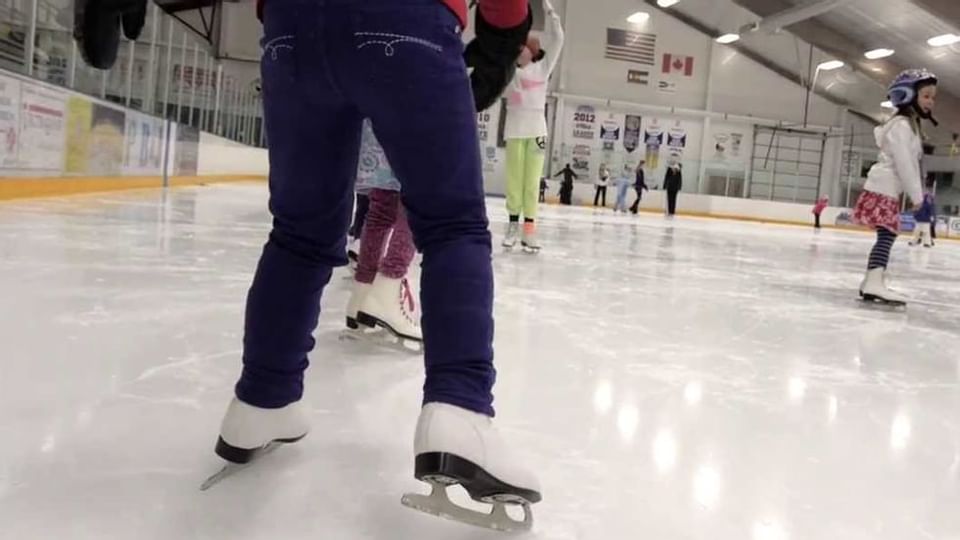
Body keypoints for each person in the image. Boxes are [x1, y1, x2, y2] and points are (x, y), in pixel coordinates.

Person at [210, 0, 541, 532]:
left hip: (292, 25)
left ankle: (261, 399)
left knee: (298, 231)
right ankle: (460, 409)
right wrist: (504, 33)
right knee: (452, 222)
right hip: (405, 21)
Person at [853, 69, 936, 306]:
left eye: (933, 97)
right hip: (884, 188)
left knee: (886, 235)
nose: (931, 102)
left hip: (884, 187)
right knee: (887, 235)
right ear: (907, 95)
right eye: (926, 96)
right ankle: (874, 281)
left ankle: (872, 280)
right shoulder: (902, 127)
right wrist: (917, 197)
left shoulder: (907, 125)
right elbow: (905, 163)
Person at [344, 120, 422, 348]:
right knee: (416, 202)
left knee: (382, 206)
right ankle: (386, 290)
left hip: (379, 119)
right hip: (415, 117)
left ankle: (362, 295)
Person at [501, 0, 564, 253]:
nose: (519, 51)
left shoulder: (543, 69)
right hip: (514, 130)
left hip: (537, 131)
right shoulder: (509, 71)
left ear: (532, 51)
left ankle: (529, 230)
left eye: (523, 48)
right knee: (514, 181)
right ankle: (512, 226)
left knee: (531, 182)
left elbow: (559, 38)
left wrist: (549, 9)